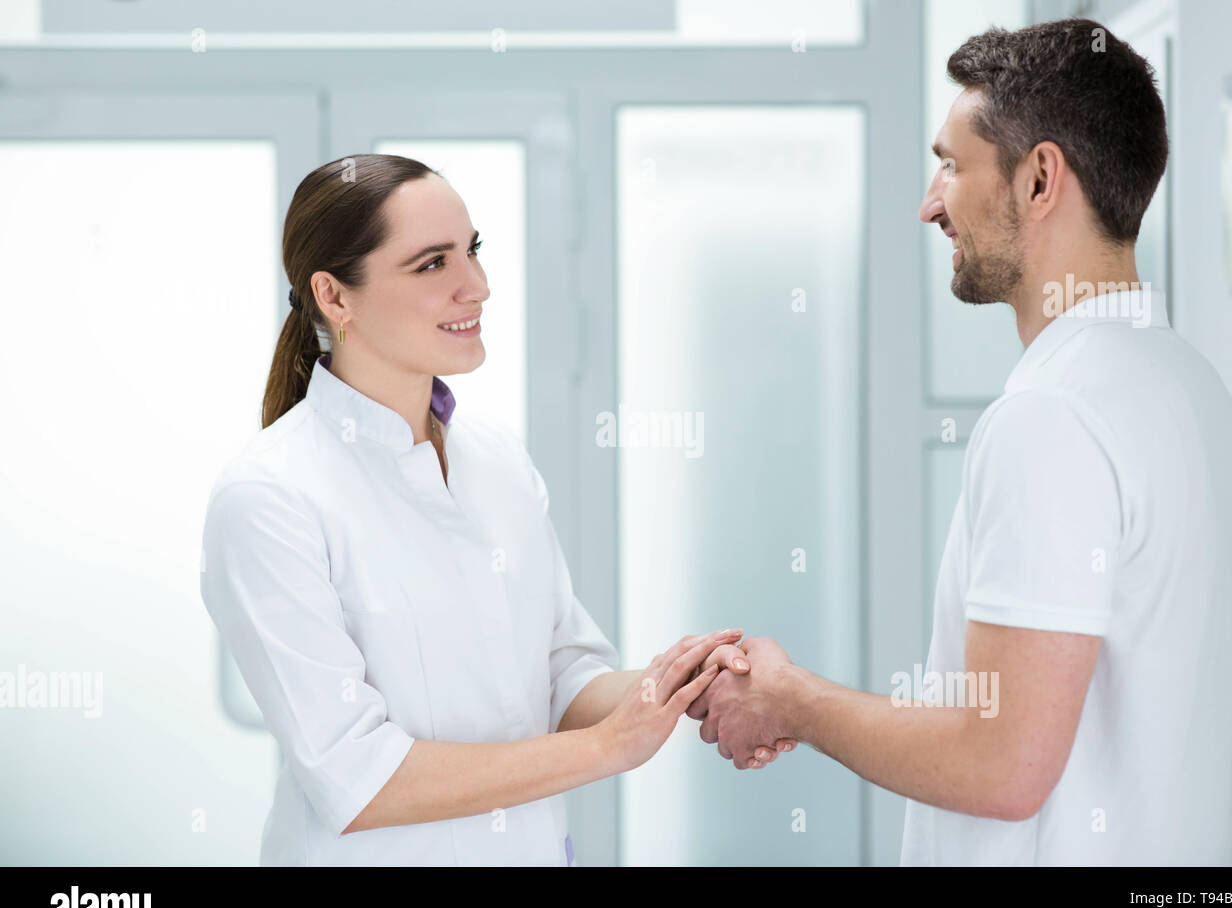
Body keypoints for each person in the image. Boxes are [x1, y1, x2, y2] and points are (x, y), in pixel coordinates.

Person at [687, 19, 1232, 865]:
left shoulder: (1053, 417)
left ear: (1040, 180)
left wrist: (788, 699)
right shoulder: (1192, 390)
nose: (930, 201)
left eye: (953, 165)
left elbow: (1003, 766)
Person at [198, 154, 792, 866]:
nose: (476, 286)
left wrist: (688, 679)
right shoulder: (269, 497)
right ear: (335, 296)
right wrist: (607, 748)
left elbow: (563, 677)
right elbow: (356, 779)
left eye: (472, 251)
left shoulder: (497, 461)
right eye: (431, 265)